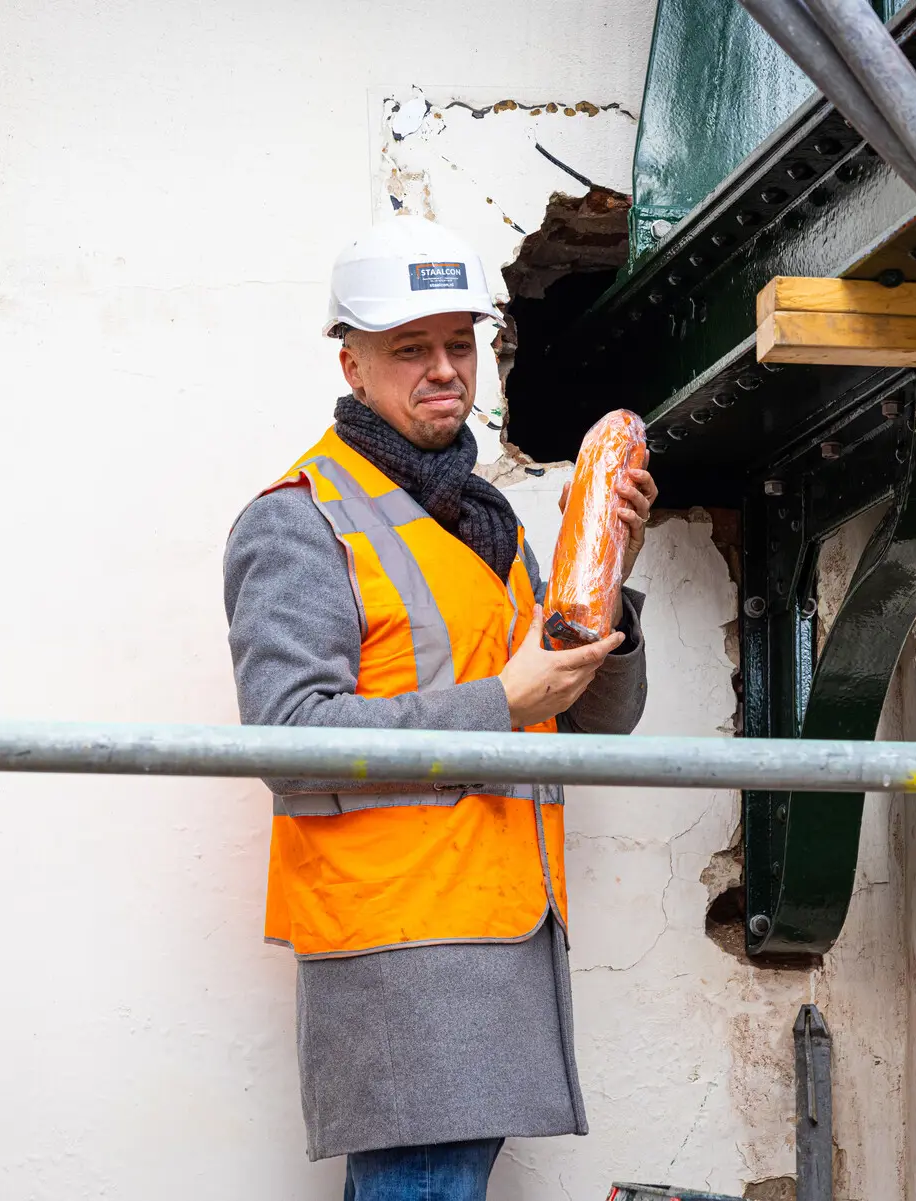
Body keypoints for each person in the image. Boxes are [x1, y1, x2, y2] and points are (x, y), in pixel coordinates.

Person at [222, 216, 658, 1201]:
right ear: (353, 363)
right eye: (409, 348)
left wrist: (609, 584)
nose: (442, 368)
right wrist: (504, 698)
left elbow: (591, 723)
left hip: (498, 931)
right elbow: (294, 741)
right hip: (401, 945)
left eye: (458, 343)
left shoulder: (487, 525)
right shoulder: (298, 521)